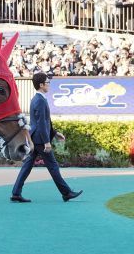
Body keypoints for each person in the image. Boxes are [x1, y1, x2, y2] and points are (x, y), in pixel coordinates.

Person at [11, 72, 82, 203]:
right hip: (39, 140)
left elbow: (44, 121)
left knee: (27, 166)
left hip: (36, 138)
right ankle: (66, 193)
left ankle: (16, 193)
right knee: (53, 166)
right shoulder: (39, 100)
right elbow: (41, 123)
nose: (49, 85)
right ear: (41, 85)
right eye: (47, 83)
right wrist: (47, 142)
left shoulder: (38, 99)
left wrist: (54, 133)